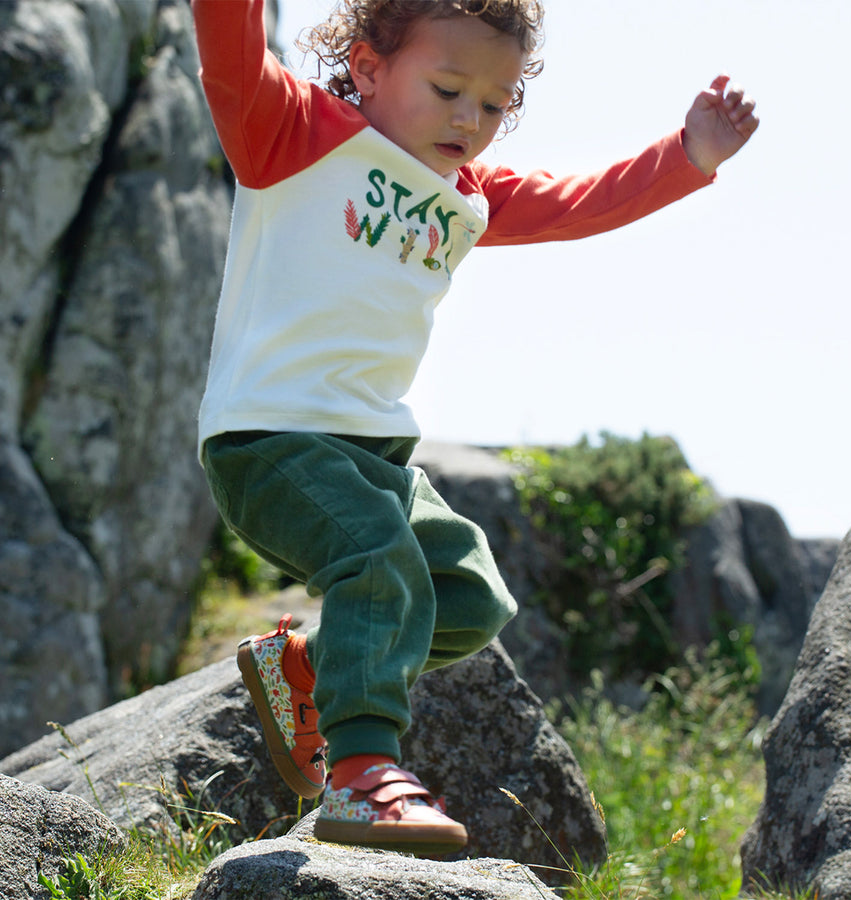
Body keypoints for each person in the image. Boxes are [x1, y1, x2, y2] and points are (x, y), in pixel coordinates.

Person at [190, 0, 758, 856]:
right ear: (370, 66)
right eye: (449, 88)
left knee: (465, 598)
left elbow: (577, 203)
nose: (470, 118)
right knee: (380, 563)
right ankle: (362, 776)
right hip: (269, 438)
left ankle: (302, 665)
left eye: (493, 105)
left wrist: (687, 159)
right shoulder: (290, 132)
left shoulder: (464, 195)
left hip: (372, 452)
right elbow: (230, 55)